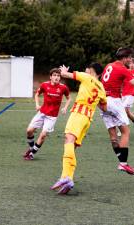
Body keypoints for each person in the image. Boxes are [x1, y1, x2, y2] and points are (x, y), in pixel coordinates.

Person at [50, 63, 107, 194]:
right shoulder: (102, 88)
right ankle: (68, 177)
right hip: (87, 119)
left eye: (87, 68)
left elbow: (65, 74)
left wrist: (63, 71)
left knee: (68, 140)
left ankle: (66, 177)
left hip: (79, 113)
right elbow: (104, 107)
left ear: (91, 70)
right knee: (72, 145)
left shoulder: (86, 76)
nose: (85, 69)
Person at [101, 47, 134, 175]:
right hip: (114, 101)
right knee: (126, 132)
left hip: (102, 101)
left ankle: (121, 160)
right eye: (130, 58)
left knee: (113, 137)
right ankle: (123, 163)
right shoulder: (123, 69)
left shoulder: (108, 65)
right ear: (125, 58)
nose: (130, 61)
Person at [23, 68, 71, 160]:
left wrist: (65, 107)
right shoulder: (45, 85)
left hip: (52, 117)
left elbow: (69, 98)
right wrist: (37, 104)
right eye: (54, 75)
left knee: (43, 134)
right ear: (50, 77)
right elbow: (37, 94)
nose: (56, 77)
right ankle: (31, 148)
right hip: (42, 113)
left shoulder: (63, 88)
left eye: (58, 75)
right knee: (29, 131)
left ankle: (32, 154)